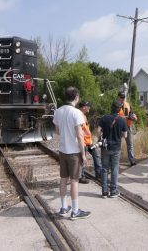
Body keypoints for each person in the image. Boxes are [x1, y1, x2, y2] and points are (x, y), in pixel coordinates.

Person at [53, 87, 91, 220]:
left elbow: (57, 132)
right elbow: (80, 136)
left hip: (62, 151)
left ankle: (63, 207)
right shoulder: (77, 113)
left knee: (63, 179)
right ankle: (75, 211)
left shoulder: (57, 112)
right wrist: (83, 155)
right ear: (76, 97)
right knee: (74, 181)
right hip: (74, 152)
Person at [98, 100, 128, 198]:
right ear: (120, 110)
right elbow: (125, 135)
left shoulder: (104, 118)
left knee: (104, 169)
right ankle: (113, 191)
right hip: (116, 147)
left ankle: (104, 192)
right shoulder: (122, 120)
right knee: (114, 168)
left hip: (105, 147)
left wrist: (101, 138)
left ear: (111, 107)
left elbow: (98, 131)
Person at [78, 101, 102, 183]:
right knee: (82, 159)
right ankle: (81, 177)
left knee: (96, 155)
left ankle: (98, 174)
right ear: (84, 107)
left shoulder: (83, 115)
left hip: (88, 141)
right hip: (83, 141)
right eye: (88, 106)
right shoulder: (79, 116)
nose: (89, 108)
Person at [117, 91, 137, 166]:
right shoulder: (115, 105)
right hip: (118, 127)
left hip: (127, 127)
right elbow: (115, 116)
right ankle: (116, 161)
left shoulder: (128, 105)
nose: (122, 99)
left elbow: (132, 113)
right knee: (118, 144)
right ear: (118, 97)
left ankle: (132, 160)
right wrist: (126, 117)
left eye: (123, 97)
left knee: (130, 144)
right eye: (121, 97)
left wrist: (134, 117)